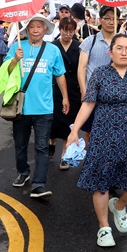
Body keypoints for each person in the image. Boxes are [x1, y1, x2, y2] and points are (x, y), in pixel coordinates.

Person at [67, 34, 127, 247]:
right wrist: (74, 131)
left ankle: (120, 206)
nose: (124, 52)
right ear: (110, 52)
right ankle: (103, 227)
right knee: (101, 183)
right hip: (103, 135)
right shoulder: (100, 73)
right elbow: (88, 104)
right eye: (119, 48)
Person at [4, 14, 69, 198]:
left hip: (44, 109)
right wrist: (15, 60)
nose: (35, 30)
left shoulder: (53, 51)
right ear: (26, 30)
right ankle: (23, 173)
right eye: (32, 27)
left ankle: (38, 184)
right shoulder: (17, 47)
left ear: (45, 30)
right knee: (20, 145)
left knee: (42, 147)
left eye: (39, 27)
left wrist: (65, 97)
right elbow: (5, 73)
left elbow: (60, 75)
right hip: (21, 108)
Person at [77, 6, 120, 146]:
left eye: (114, 19)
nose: (111, 22)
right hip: (93, 96)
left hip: (115, 96)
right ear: (100, 20)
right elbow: (81, 68)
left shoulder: (122, 42)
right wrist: (84, 91)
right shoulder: (90, 41)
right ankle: (92, 159)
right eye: (107, 18)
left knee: (113, 131)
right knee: (90, 131)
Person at [49, 17, 81, 169]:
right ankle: (51, 140)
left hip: (73, 89)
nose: (68, 34)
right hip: (55, 89)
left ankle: (64, 156)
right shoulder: (52, 46)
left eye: (71, 31)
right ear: (60, 30)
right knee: (54, 121)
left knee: (69, 124)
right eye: (65, 30)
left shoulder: (79, 47)